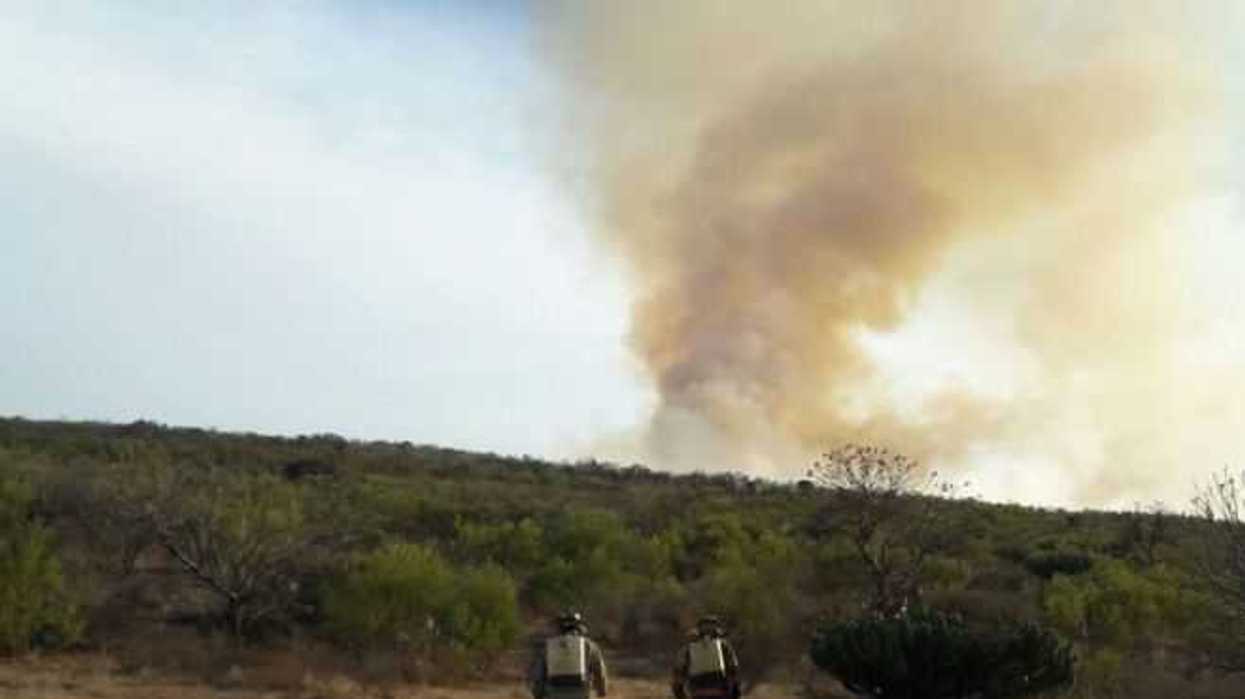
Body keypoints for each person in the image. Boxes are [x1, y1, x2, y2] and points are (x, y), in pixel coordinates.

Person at [529, 612, 609, 699]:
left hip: (554, 694)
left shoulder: (548, 647)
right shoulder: (589, 645)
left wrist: (538, 693)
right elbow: (600, 671)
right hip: (582, 694)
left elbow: (539, 674)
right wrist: (602, 691)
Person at [671, 615, 740, 699]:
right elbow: (733, 669)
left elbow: (679, 672)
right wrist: (735, 690)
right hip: (720, 690)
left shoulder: (689, 647)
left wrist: (679, 692)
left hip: (697, 690)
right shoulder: (723, 645)